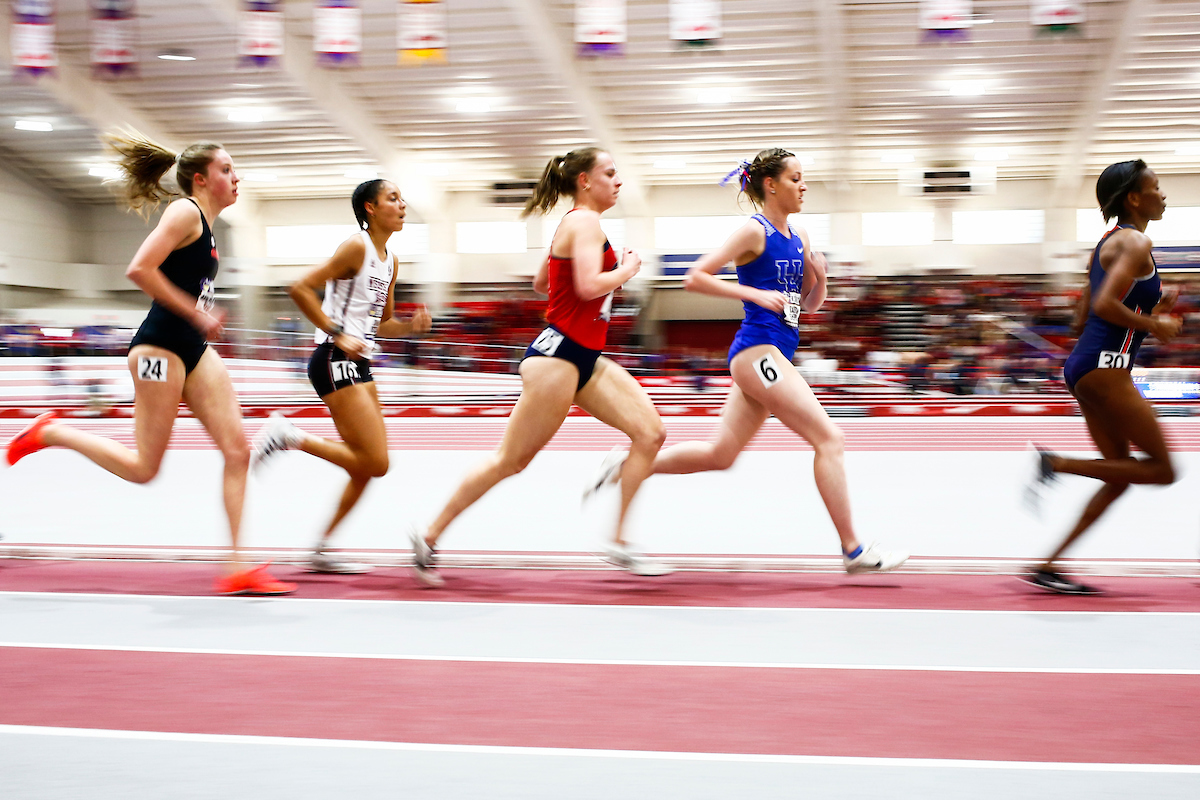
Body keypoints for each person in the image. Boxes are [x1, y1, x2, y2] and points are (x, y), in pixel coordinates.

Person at [3, 131, 293, 595]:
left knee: (237, 451)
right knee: (144, 469)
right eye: (226, 169)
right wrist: (196, 312)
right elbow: (139, 268)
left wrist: (198, 318)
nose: (236, 177)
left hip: (193, 351)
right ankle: (49, 432)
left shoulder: (209, 228)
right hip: (158, 350)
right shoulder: (185, 212)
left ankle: (238, 565)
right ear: (200, 179)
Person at [638, 148, 907, 574]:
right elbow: (695, 277)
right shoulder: (753, 231)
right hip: (756, 350)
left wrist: (820, 277)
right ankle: (853, 550)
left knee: (720, 454)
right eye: (796, 178)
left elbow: (807, 306)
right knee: (828, 439)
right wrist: (754, 294)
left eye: (804, 179)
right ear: (771, 185)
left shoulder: (800, 236)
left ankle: (632, 465)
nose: (804, 186)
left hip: (778, 351)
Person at [408, 147, 668, 586]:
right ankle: (428, 535)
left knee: (651, 432)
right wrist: (627, 269)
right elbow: (586, 288)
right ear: (585, 181)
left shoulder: (578, 225)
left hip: (582, 355)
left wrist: (591, 269)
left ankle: (619, 541)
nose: (618, 181)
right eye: (610, 173)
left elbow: (541, 282)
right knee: (510, 460)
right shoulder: (583, 222)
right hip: (558, 358)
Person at [249, 179, 431, 572]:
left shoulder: (391, 260)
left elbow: (383, 324)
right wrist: (337, 333)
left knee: (368, 465)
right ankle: (287, 436)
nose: (403, 205)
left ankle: (321, 548)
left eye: (402, 198)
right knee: (376, 463)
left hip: (359, 363)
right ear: (370, 207)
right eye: (393, 198)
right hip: (333, 357)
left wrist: (411, 328)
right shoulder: (355, 247)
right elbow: (298, 288)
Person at [1025, 159, 1180, 595]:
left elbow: (1081, 318)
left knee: (1119, 476)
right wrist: (1156, 324)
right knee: (1165, 470)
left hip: (1086, 367)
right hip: (1106, 368)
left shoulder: (1106, 244)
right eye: (1156, 186)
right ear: (1134, 197)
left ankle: (1048, 565)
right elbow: (1103, 308)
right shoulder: (1135, 241)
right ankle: (1056, 463)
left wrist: (1153, 311)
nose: (1163, 194)